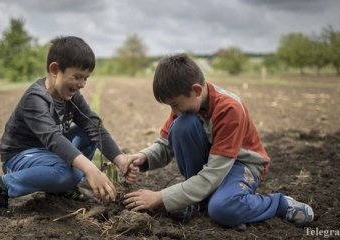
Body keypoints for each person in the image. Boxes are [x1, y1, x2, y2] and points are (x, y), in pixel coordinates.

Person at [123, 54, 314, 228]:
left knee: (222, 209)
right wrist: (142, 157)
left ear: (196, 90)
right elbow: (165, 144)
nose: (174, 111)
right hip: (213, 165)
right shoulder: (185, 109)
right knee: (183, 125)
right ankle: (198, 200)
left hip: (239, 164)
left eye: (175, 104)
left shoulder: (229, 109)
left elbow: (213, 174)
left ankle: (279, 204)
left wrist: (160, 197)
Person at [0, 36, 137, 216]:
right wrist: (91, 170)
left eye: (86, 78)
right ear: (54, 69)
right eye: (77, 77)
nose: (82, 84)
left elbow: (93, 126)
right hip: (20, 157)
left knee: (89, 131)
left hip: (49, 154)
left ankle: (60, 188)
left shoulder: (72, 97)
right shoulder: (35, 99)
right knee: (73, 174)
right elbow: (53, 139)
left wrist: (120, 160)